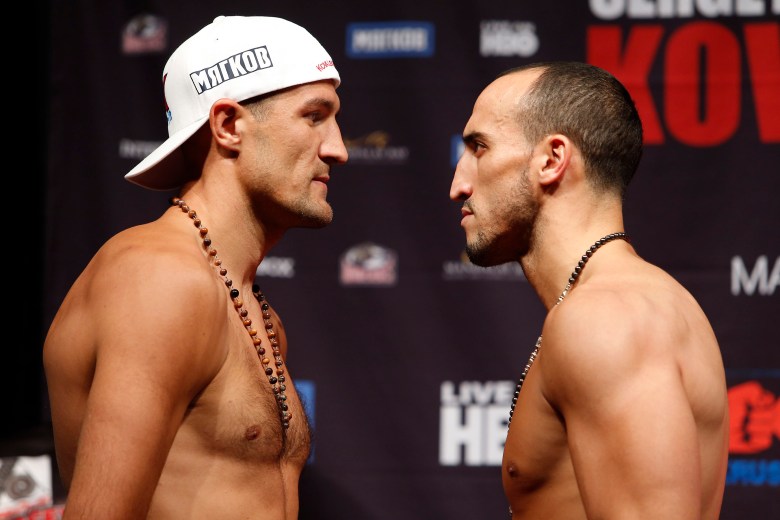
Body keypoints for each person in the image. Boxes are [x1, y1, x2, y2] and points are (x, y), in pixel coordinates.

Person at [43, 15, 347, 519]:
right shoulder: (160, 278)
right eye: (314, 117)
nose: (338, 149)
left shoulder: (254, 310)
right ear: (228, 126)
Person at [449, 62, 729, 519]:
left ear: (552, 159)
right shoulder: (632, 301)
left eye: (479, 148)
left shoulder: (606, 317)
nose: (458, 184)